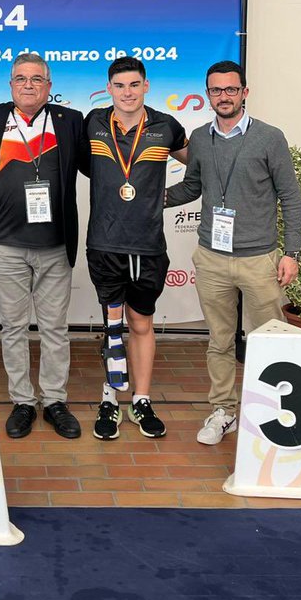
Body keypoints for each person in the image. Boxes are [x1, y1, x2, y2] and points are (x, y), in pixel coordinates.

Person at [165, 60, 301, 445]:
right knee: (220, 341)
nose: (223, 97)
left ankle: (273, 415)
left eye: (230, 89)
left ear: (245, 91)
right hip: (211, 257)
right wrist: (149, 199)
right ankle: (223, 411)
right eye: (215, 90)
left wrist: (291, 252)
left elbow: (291, 197)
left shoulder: (269, 137)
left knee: (268, 340)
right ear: (207, 94)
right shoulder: (199, 137)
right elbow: (190, 187)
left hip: (259, 259)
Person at [0, 53, 84, 440]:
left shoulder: (70, 121)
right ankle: (21, 401)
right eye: (21, 78)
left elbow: (95, 165)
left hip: (55, 243)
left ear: (49, 86)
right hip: (6, 243)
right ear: (11, 85)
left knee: (54, 328)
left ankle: (53, 401)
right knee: (14, 326)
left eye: (37, 79)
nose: (28, 85)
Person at [83, 56, 188, 442]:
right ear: (109, 88)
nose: (127, 92)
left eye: (134, 85)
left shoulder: (166, 126)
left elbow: (198, 167)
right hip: (104, 242)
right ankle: (109, 398)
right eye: (120, 85)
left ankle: (141, 399)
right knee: (112, 324)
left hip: (148, 245)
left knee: (141, 323)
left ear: (146, 86)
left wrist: (166, 196)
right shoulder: (93, 123)